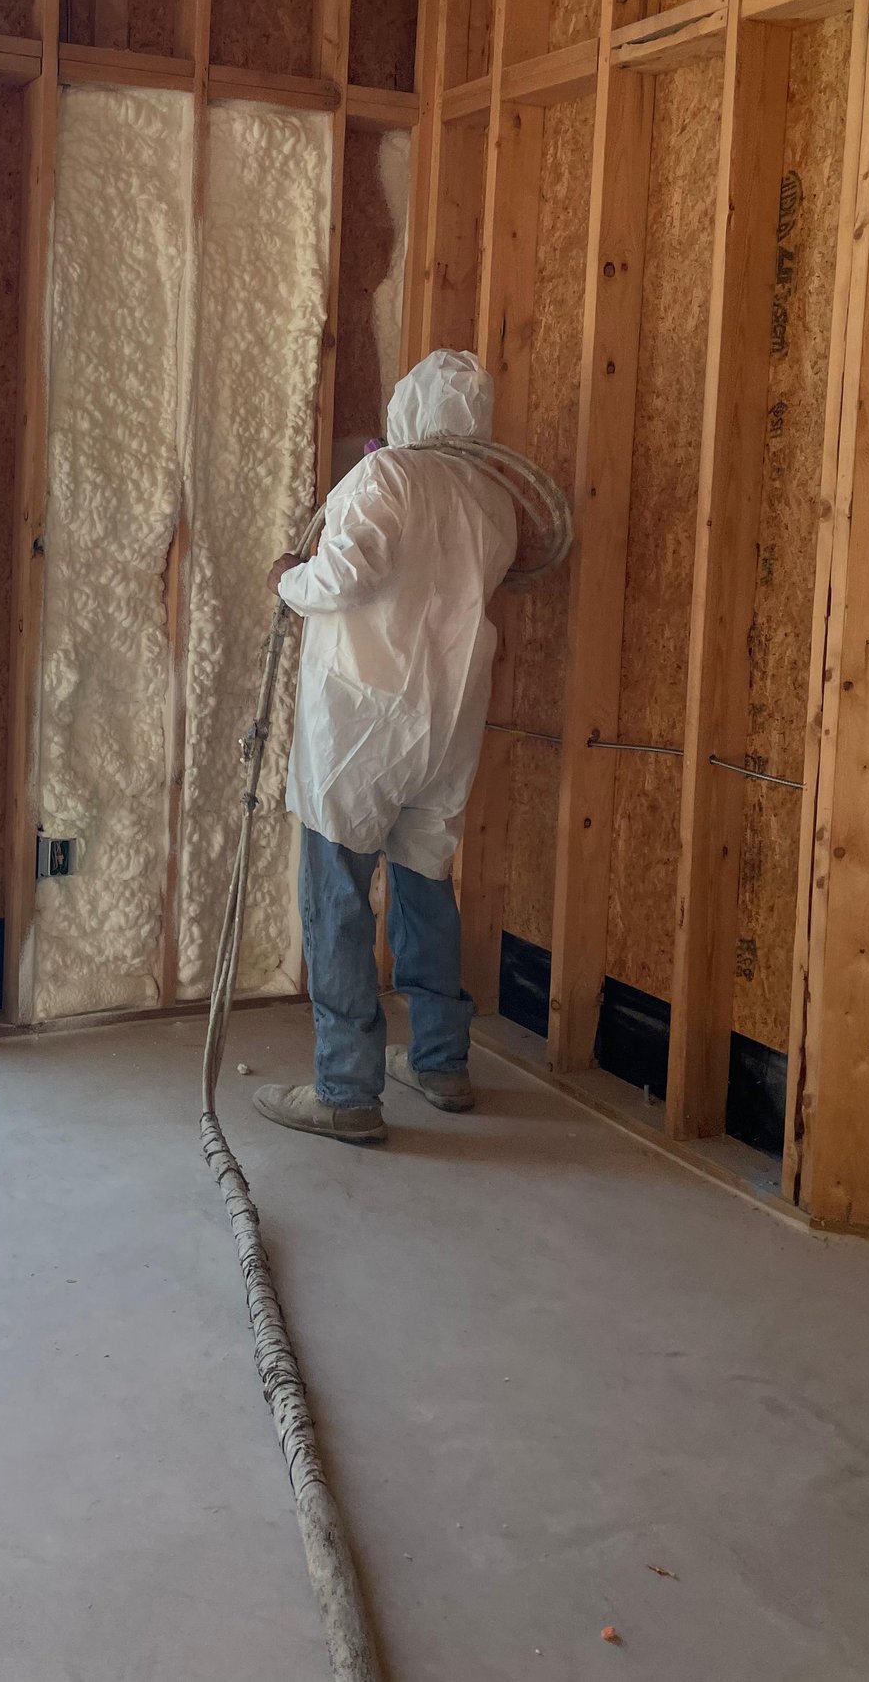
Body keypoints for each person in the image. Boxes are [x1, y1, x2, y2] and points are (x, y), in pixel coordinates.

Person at [254, 348, 518, 1147]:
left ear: (411, 406)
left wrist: (285, 578)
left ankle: (345, 1089)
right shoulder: (493, 498)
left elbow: (342, 576)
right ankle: (440, 1060)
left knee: (336, 891)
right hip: (446, 725)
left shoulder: (387, 476)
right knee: (424, 884)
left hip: (362, 722)